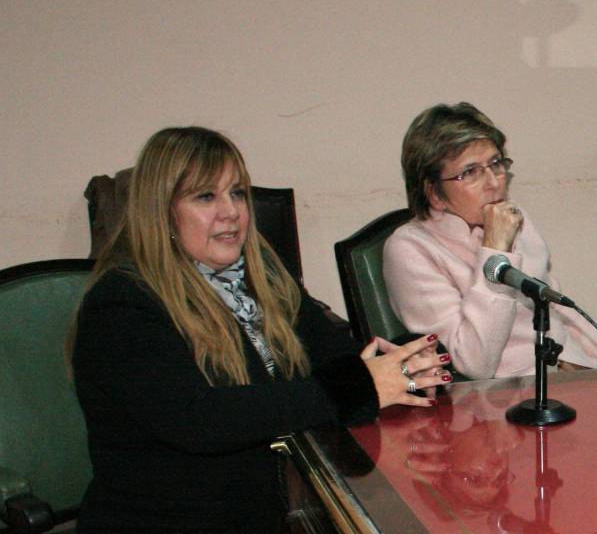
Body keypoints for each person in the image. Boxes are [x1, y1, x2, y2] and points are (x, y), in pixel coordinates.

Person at [70, 127, 450, 532]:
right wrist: (358, 384)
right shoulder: (121, 303)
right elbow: (200, 420)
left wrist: (405, 365)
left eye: (237, 193)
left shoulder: (265, 278)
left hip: (269, 514)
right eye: (205, 196)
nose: (230, 211)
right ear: (161, 212)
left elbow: (337, 360)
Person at [383, 102, 597, 380]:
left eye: (495, 164)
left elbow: (557, 309)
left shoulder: (516, 218)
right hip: (498, 401)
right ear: (434, 193)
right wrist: (495, 250)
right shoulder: (410, 249)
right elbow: (475, 364)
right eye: (470, 172)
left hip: (567, 376)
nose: (494, 183)